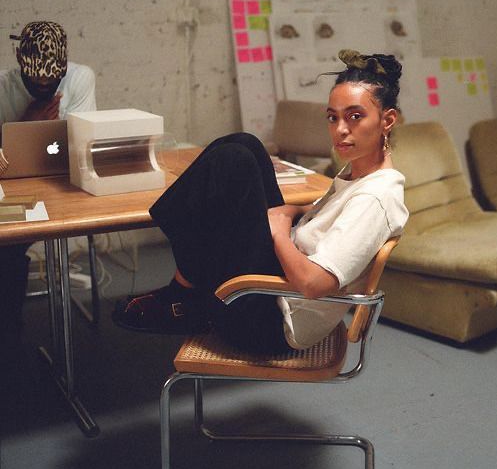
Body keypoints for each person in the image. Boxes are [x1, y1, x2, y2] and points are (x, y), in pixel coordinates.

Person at [113, 50, 408, 353]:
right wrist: (292, 210)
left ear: (387, 120)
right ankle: (186, 283)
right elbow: (332, 215)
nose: (340, 130)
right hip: (276, 282)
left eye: (355, 117)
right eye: (333, 117)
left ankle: (184, 289)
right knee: (246, 144)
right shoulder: (361, 173)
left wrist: (279, 231)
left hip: (271, 321)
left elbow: (314, 285)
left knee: (235, 161)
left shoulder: (376, 198)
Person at [0, 21, 97, 340]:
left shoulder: (80, 78)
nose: (44, 84)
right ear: (21, 66)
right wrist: (26, 123)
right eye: (35, 82)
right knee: (8, 247)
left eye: (50, 80)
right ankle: (11, 332)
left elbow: (87, 144)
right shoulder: (4, 89)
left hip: (69, 184)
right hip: (17, 189)